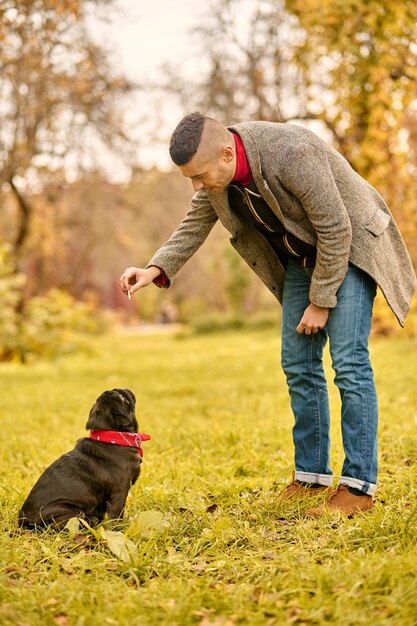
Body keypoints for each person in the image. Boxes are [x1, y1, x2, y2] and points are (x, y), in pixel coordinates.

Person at [120, 113, 416, 517]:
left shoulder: (292, 153)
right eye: (189, 179)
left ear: (227, 153)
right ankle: (311, 478)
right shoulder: (218, 177)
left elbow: (335, 228)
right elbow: (193, 224)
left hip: (350, 248)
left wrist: (321, 300)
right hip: (301, 256)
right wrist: (154, 268)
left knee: (349, 362)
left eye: (200, 175)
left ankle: (358, 488)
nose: (196, 185)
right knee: (298, 363)